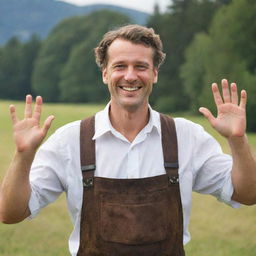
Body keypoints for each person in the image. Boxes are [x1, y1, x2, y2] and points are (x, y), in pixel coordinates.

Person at [0, 24, 256, 256]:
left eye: (141, 67)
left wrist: (237, 140)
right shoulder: (70, 141)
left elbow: (247, 194)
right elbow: (9, 214)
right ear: (105, 74)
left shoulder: (185, 137)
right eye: (120, 66)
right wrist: (23, 155)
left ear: (154, 73)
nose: (130, 76)